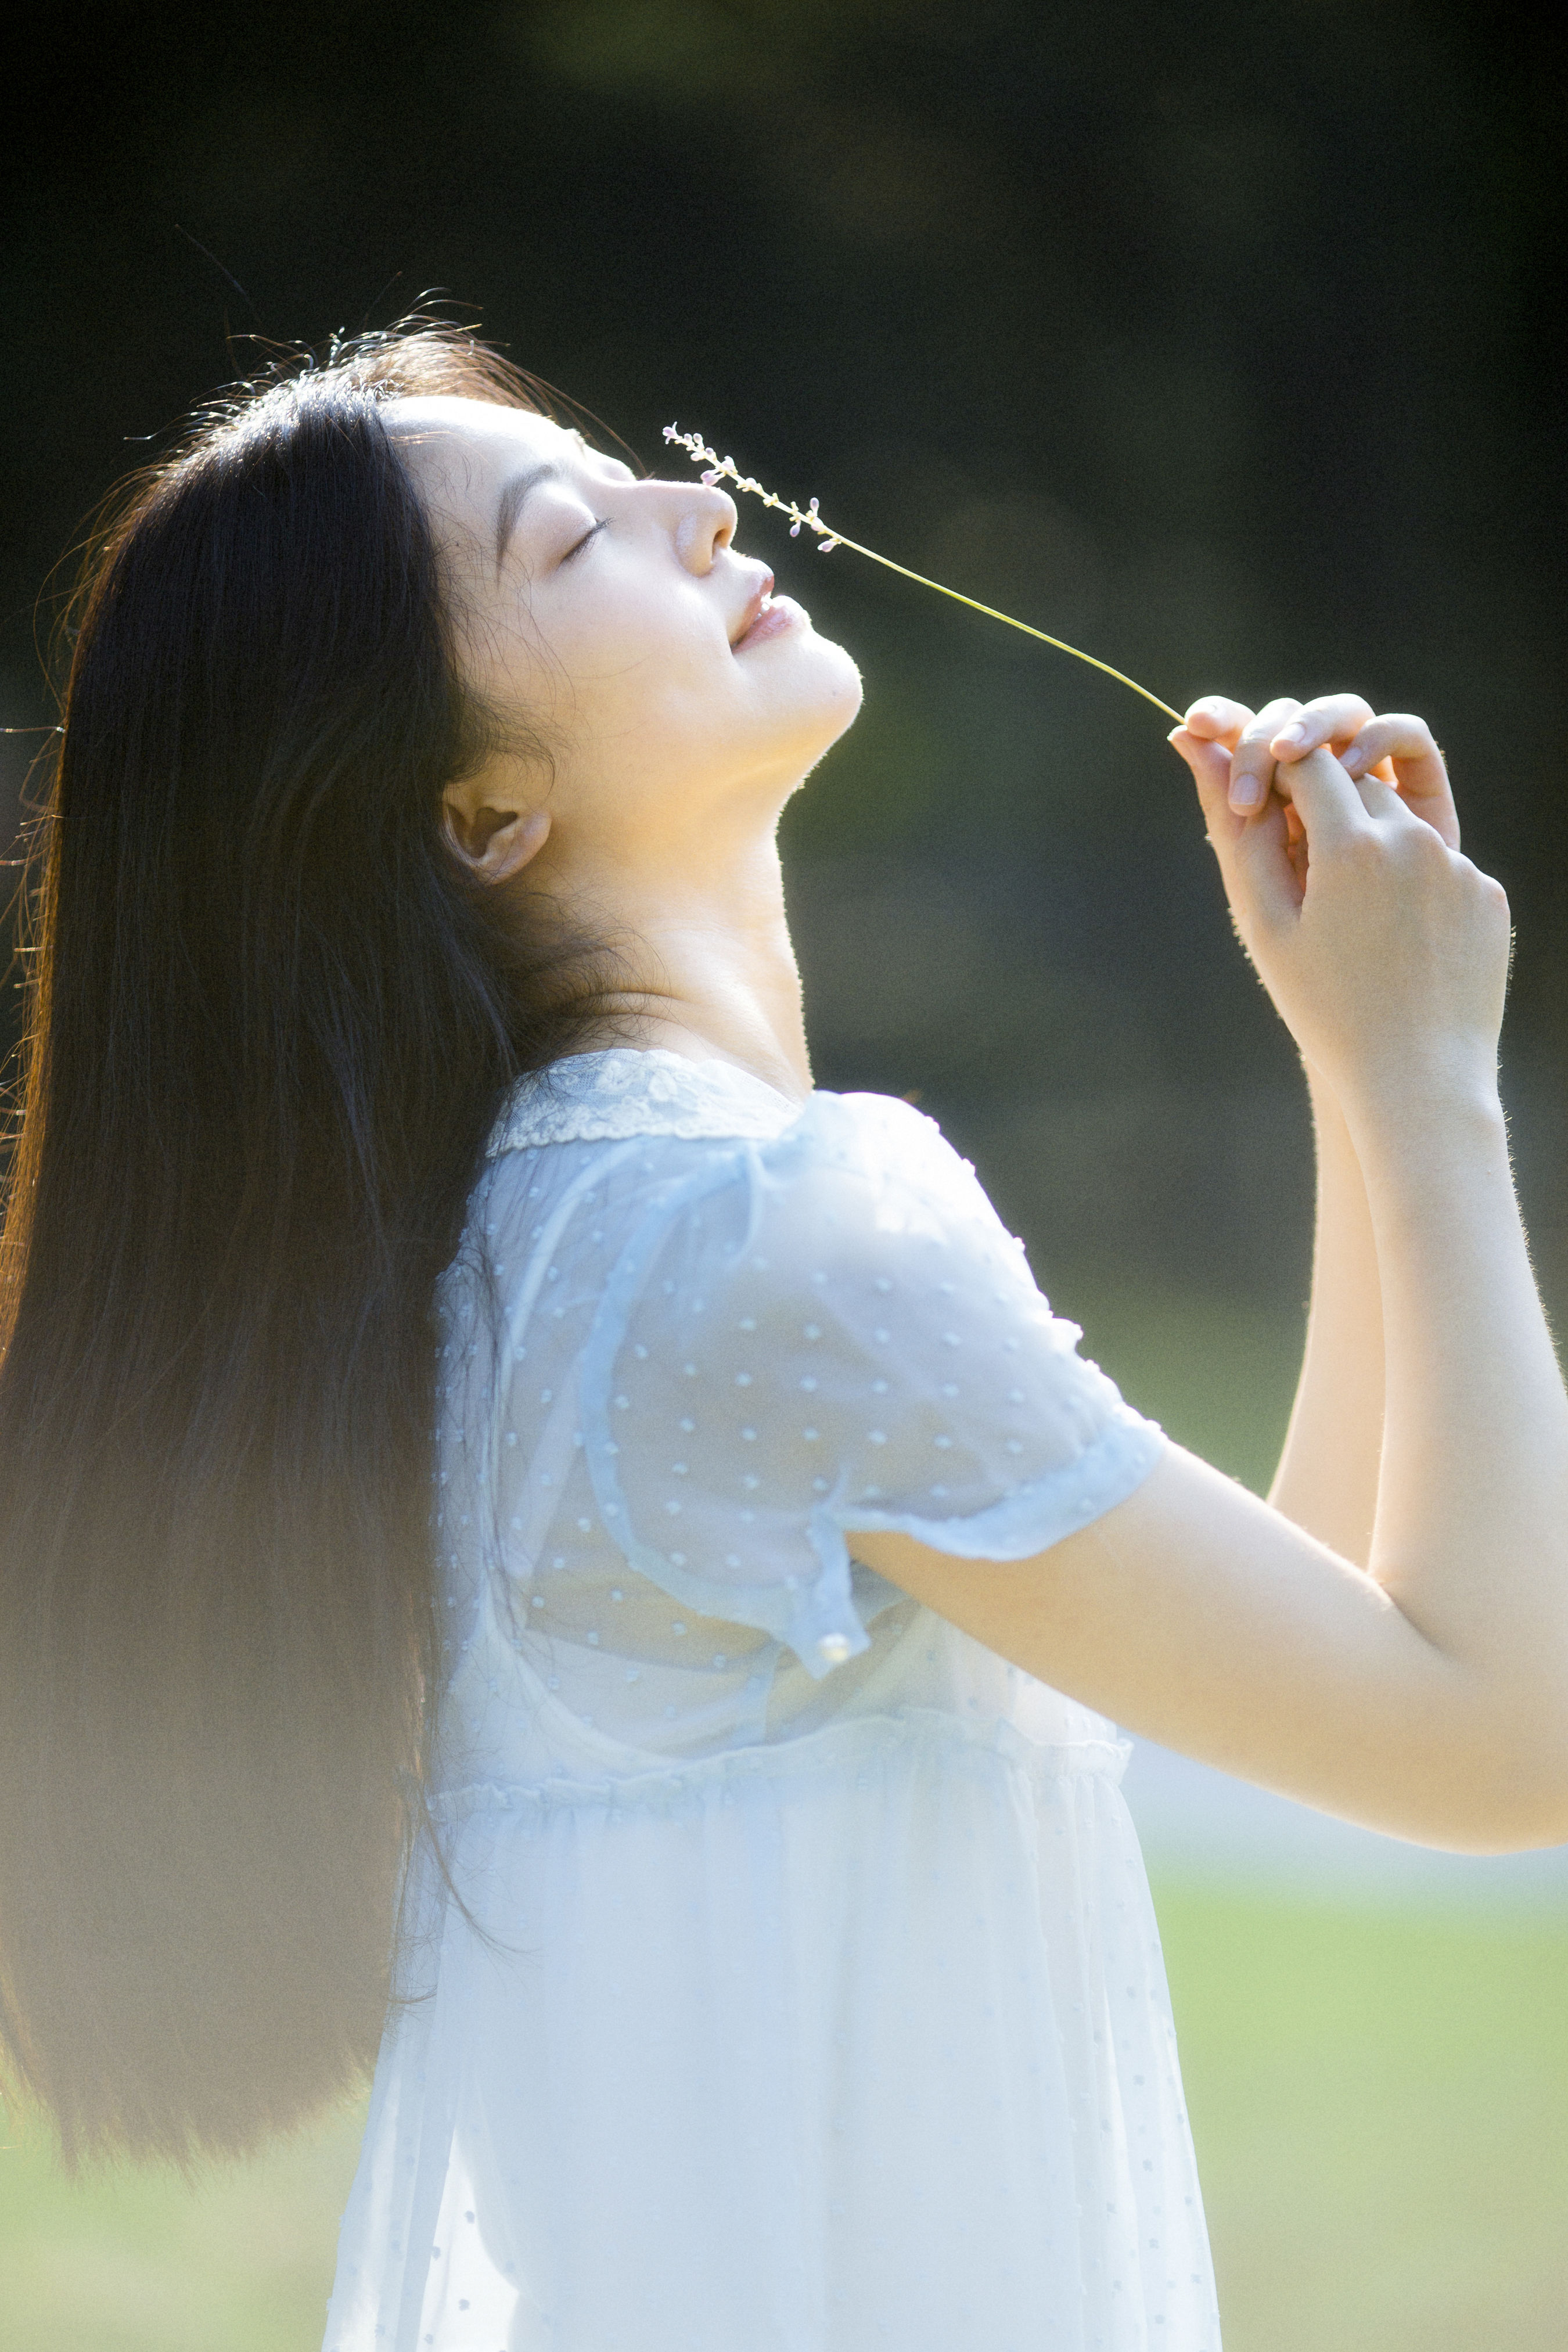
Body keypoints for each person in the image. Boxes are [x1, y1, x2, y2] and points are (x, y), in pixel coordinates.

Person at [0, 324, 1563, 2352]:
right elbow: (1497, 1737)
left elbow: (1316, 1660)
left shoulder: (545, 1232)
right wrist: (1438, 1080)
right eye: (577, 540)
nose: (699, 501)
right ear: (478, 806)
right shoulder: (755, 1238)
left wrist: (1355, 1061)